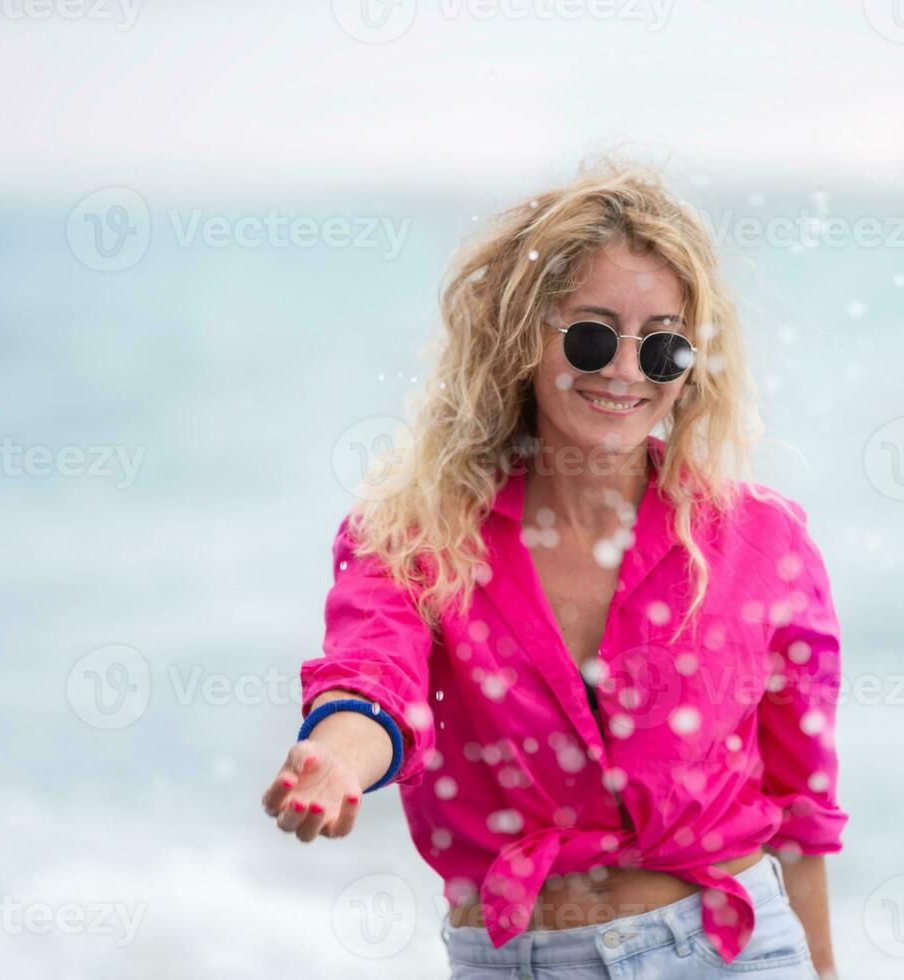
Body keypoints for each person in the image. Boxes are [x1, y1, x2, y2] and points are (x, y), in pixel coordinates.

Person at [260, 160, 847, 979]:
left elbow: (799, 818)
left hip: (736, 954)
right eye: (593, 335)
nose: (625, 370)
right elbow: (371, 684)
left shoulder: (762, 539)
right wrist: (334, 761)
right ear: (522, 337)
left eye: (664, 345)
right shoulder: (414, 532)